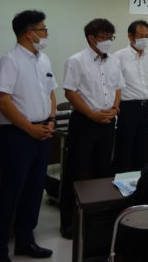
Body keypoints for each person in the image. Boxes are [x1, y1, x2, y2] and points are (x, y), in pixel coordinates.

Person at [0, 10, 56, 262]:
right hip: (17, 136)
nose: (46, 34)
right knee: (10, 193)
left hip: (42, 132)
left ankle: (25, 241)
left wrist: (50, 120)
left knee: (34, 191)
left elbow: (51, 93)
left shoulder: (44, 60)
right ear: (30, 33)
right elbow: (3, 101)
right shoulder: (9, 61)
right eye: (43, 29)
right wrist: (30, 128)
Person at [59, 18, 124, 239]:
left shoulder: (114, 61)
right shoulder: (76, 60)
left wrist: (114, 109)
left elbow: (118, 88)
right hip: (85, 122)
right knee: (75, 172)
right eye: (104, 37)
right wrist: (91, 114)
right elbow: (70, 92)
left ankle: (98, 218)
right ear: (91, 38)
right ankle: (69, 222)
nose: (108, 41)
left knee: (103, 171)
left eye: (110, 37)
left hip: (108, 122)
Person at [113, 20, 148, 173]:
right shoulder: (118, 57)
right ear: (130, 36)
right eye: (140, 36)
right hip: (128, 107)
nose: (144, 40)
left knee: (143, 147)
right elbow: (114, 86)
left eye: (147, 36)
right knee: (125, 148)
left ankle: (140, 180)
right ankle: (121, 180)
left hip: (146, 106)